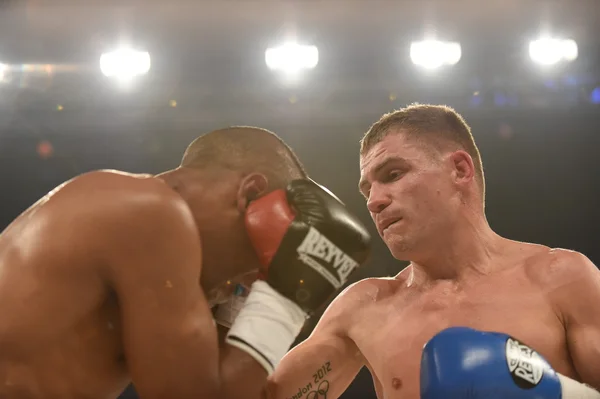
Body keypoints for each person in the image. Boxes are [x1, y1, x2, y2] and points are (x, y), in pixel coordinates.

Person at [224, 104, 600, 398]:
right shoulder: (365, 307)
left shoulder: (562, 277)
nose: (374, 201)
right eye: (366, 189)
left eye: (392, 175)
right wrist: (248, 295)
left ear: (459, 169)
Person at [0, 126, 372, 399]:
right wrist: (286, 296)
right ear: (250, 194)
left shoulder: (154, 263)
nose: (250, 279)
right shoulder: (151, 213)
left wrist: (241, 305)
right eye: (258, 263)